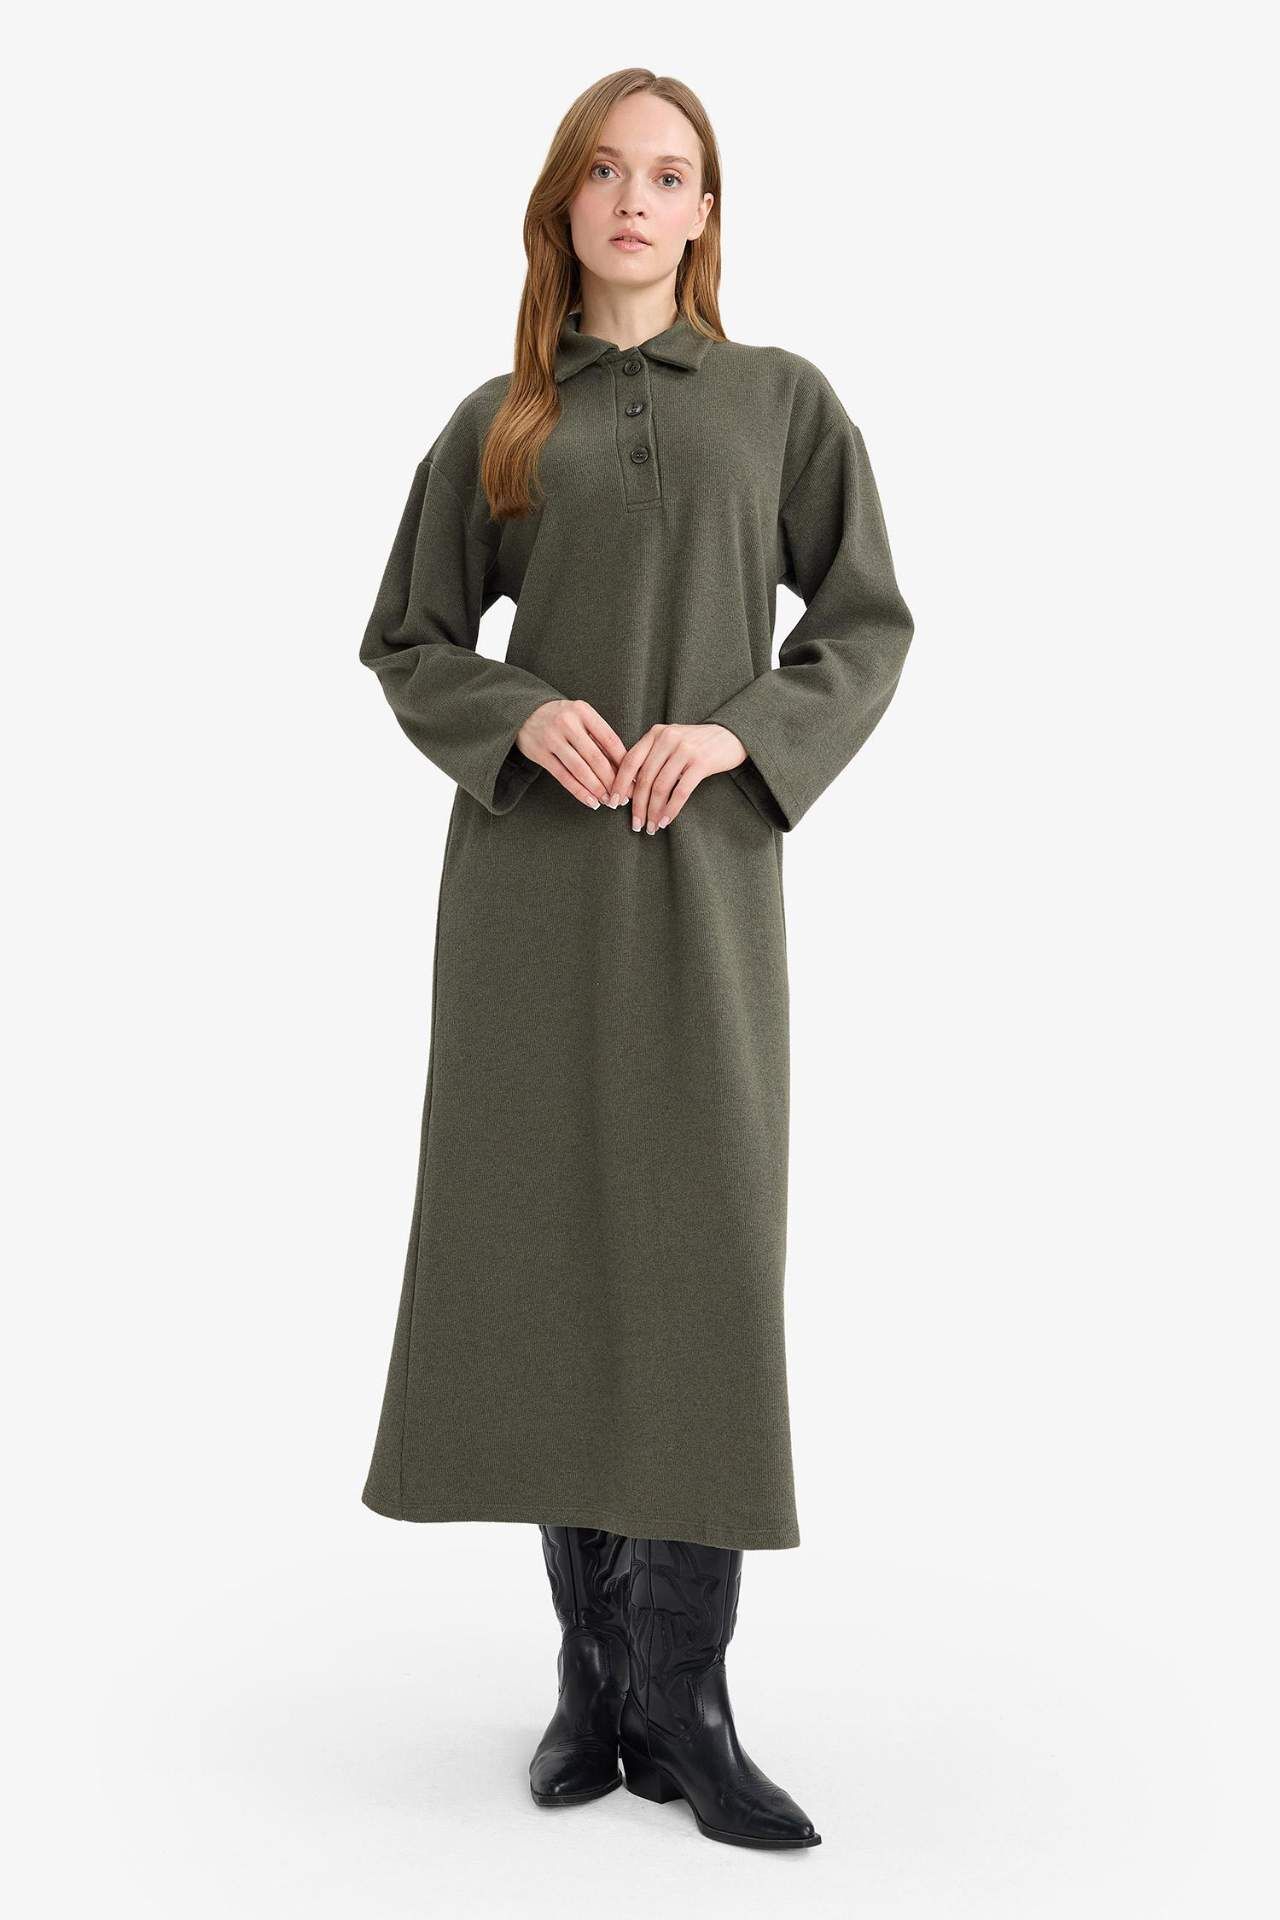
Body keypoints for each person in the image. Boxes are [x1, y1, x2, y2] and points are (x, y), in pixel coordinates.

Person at [357, 68, 914, 1851]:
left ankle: (688, 1694)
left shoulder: (780, 403)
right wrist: (517, 714)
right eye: (605, 171)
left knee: (698, 1247)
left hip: (705, 887)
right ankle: (594, 1684)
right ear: (565, 203)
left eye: (669, 175)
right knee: (550, 1251)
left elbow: (865, 622)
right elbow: (409, 639)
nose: (635, 200)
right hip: (531, 894)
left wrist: (744, 732)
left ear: (704, 212)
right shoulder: (501, 423)